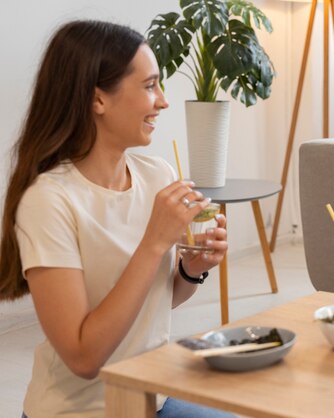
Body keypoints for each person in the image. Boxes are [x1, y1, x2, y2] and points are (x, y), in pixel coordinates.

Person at [0, 20, 234, 418]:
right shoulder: (48, 202)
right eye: (149, 86)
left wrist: (191, 270)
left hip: (151, 399)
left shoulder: (156, 174)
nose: (162, 101)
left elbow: (154, 304)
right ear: (98, 100)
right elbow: (83, 357)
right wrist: (155, 242)